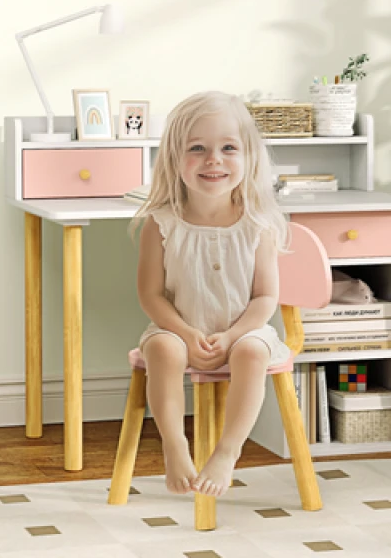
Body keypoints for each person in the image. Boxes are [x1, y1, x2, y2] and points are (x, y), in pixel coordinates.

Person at [130, 90, 289, 497]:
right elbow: (151, 295)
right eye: (197, 148)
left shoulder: (259, 224)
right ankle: (174, 445)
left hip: (245, 332)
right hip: (177, 329)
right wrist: (185, 333)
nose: (213, 160)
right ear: (173, 158)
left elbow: (265, 298)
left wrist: (233, 335)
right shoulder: (161, 223)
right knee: (162, 349)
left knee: (252, 353)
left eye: (228, 148)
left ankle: (227, 452)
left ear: (249, 156)